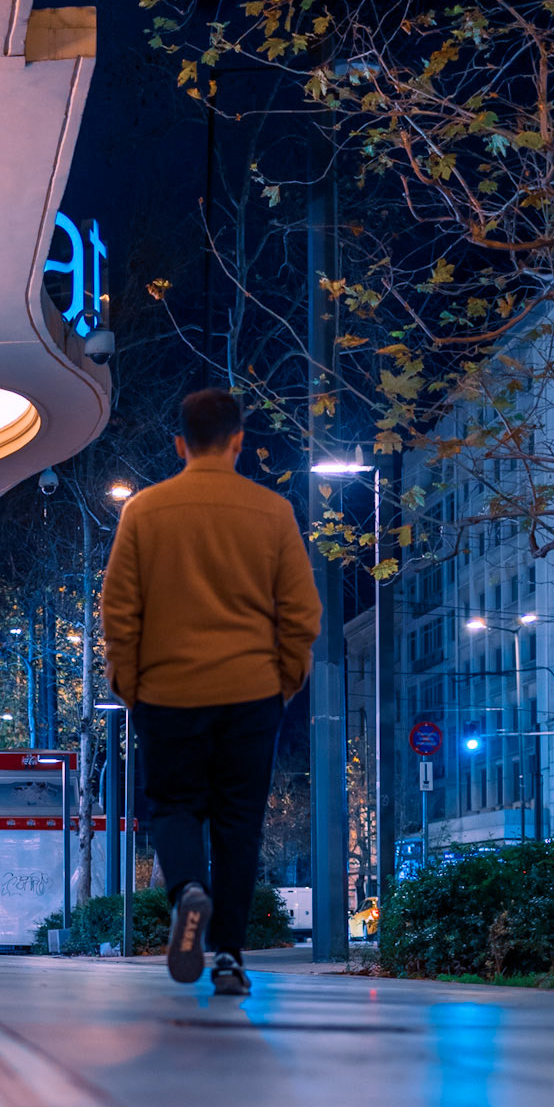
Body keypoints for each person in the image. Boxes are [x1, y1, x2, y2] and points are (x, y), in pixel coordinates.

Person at [100, 386, 321, 997]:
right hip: (250, 692)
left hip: (167, 691)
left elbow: (119, 608)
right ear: (238, 441)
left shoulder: (144, 511)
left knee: (172, 808)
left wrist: (129, 681)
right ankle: (228, 958)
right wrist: (282, 680)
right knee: (239, 824)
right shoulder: (273, 512)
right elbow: (301, 611)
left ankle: (185, 890)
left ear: (179, 444)